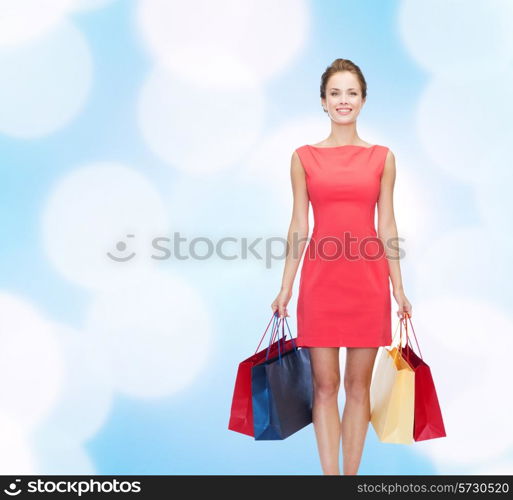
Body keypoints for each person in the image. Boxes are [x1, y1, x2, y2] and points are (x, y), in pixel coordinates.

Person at [271, 58, 412, 475]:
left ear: (363, 100)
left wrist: (398, 289)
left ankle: (350, 480)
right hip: (320, 281)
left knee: (357, 386)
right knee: (325, 385)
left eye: (351, 93)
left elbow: (386, 224)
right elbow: (299, 224)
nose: (343, 100)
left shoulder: (383, 158)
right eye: (335, 93)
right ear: (323, 101)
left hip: (368, 282)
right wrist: (286, 287)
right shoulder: (303, 157)